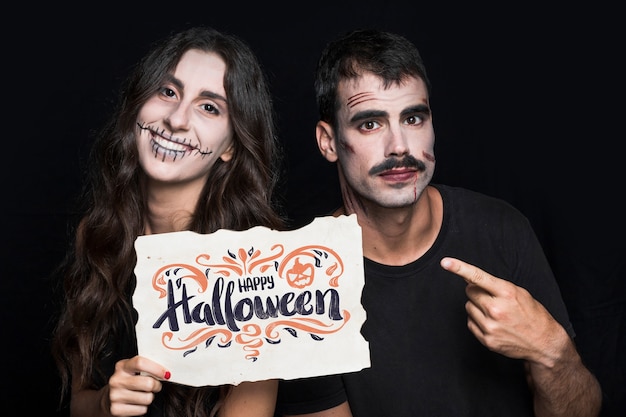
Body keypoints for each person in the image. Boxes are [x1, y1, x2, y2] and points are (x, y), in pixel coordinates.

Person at [275, 29, 602, 417]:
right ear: (328, 141)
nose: (399, 146)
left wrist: (552, 351)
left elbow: (582, 410)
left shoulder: (501, 228)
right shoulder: (300, 279)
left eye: (413, 118)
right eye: (370, 124)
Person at [51, 26, 285, 417]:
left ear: (230, 145)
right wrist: (108, 403)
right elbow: (80, 404)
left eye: (209, 107)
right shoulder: (99, 235)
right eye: (168, 92)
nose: (176, 119)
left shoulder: (258, 266)